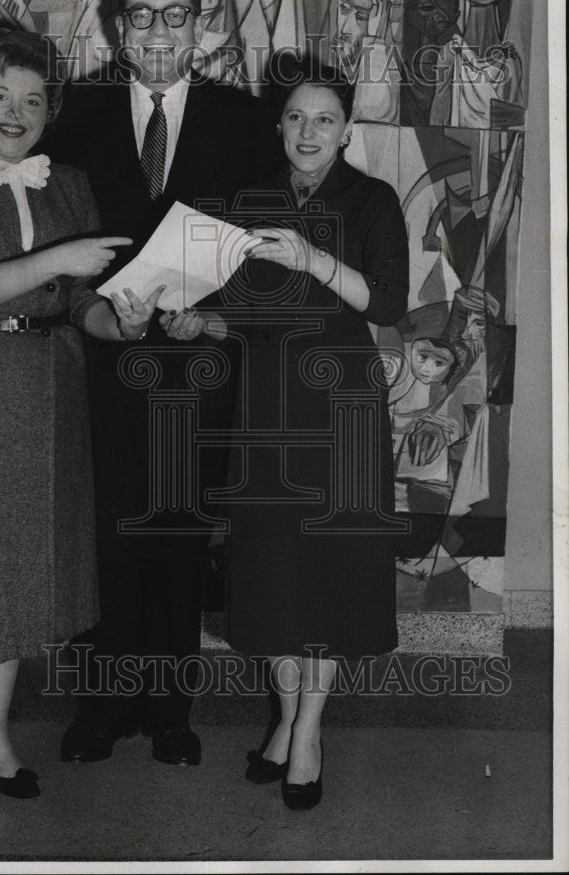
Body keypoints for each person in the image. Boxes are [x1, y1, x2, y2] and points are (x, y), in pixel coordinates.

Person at [0, 28, 163, 799]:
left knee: (21, 568)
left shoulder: (70, 183)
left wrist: (128, 322)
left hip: (52, 384)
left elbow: (84, 303)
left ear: (51, 109)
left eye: (32, 99)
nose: (15, 113)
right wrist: (56, 260)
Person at [44, 0, 283, 767]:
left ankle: (171, 708)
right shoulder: (71, 114)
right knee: (104, 532)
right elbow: (47, 236)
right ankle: (101, 707)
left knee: (178, 537)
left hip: (195, 369)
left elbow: (263, 247)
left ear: (200, 21)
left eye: (173, 15)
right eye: (139, 16)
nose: (156, 32)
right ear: (115, 24)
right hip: (97, 360)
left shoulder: (244, 123)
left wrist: (215, 316)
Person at [162, 53, 409, 807]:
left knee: (330, 576)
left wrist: (315, 259)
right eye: (296, 117)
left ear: (345, 131)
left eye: (324, 119)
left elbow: (388, 305)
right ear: (279, 125)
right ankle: (282, 719)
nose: (308, 131)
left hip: (341, 406)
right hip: (265, 405)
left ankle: (306, 733)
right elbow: (237, 312)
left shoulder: (372, 200)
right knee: (267, 576)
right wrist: (194, 320)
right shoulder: (251, 199)